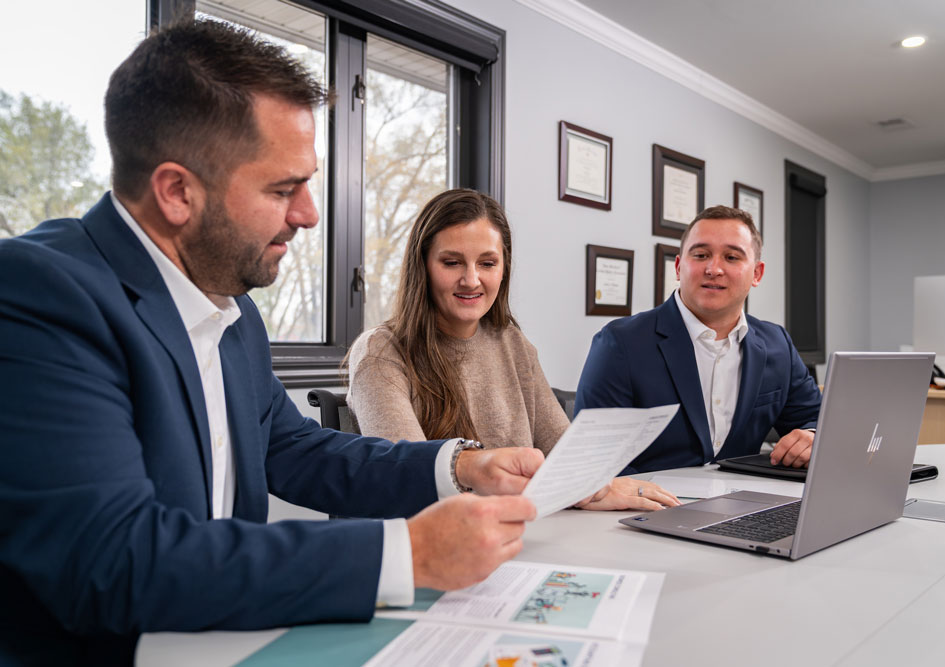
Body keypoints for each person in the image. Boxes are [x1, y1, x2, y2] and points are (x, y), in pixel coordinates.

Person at [0, 20, 543, 665]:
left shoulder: (229, 304)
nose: (311, 213)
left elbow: (293, 449)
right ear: (177, 192)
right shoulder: (40, 294)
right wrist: (410, 555)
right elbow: (114, 561)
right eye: (283, 189)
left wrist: (456, 465)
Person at [347, 189, 677, 511]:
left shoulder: (511, 341)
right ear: (423, 267)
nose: (471, 279)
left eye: (487, 263)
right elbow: (412, 479)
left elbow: (565, 456)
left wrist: (597, 486)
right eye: (452, 262)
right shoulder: (380, 351)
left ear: (504, 270)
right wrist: (578, 487)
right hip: (443, 545)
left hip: (526, 532)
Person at [575, 205, 822, 474]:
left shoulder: (778, 344)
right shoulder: (620, 343)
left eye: (731, 257)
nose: (714, 269)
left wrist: (811, 436)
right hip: (648, 508)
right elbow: (596, 459)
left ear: (757, 274)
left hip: (746, 504)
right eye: (701, 255)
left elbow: (818, 418)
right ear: (679, 266)